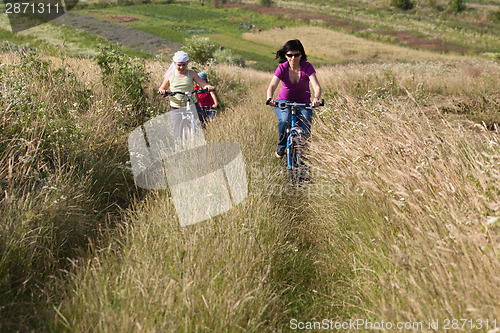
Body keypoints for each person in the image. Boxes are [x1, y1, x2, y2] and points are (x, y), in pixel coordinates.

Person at [266, 39, 322, 158]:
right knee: (284, 120)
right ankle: (281, 147)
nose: (293, 58)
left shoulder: (307, 67)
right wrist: (270, 98)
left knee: (305, 130)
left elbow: (316, 86)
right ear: (285, 55)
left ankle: (304, 160)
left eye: (296, 55)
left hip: (304, 103)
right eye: (289, 55)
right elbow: (272, 85)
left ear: (301, 54)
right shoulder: (282, 68)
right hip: (284, 102)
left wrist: (316, 99)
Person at [158, 51, 214, 142]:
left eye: (184, 65)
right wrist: (163, 91)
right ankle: (178, 153)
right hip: (177, 106)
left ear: (187, 62)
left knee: (202, 123)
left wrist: (207, 87)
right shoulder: (170, 75)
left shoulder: (191, 73)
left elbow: (202, 84)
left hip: (191, 104)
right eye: (179, 65)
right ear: (174, 63)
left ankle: (201, 143)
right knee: (177, 134)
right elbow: (162, 87)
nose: (181, 67)